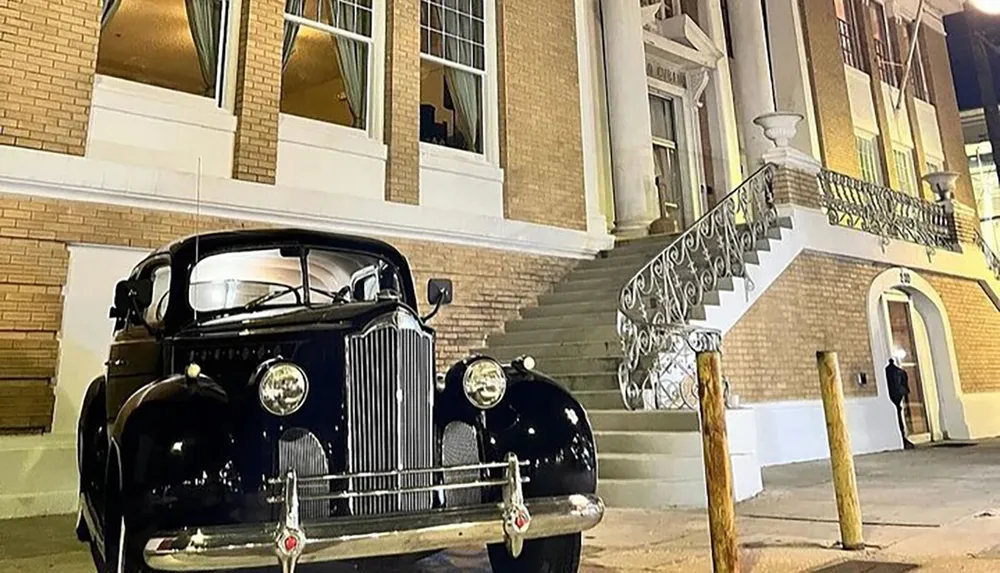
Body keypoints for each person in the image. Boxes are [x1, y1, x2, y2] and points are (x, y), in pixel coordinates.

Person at [886, 358, 915, 450]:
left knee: (899, 412)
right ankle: (902, 435)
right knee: (898, 413)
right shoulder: (897, 372)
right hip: (895, 395)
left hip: (896, 394)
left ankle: (903, 435)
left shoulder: (897, 372)